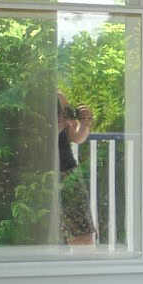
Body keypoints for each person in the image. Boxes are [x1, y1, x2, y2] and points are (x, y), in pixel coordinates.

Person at [57, 92, 96, 245]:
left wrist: (85, 123)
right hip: (41, 175)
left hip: (68, 172)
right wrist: (59, 126)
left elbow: (76, 137)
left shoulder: (59, 97)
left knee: (82, 233)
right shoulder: (26, 98)